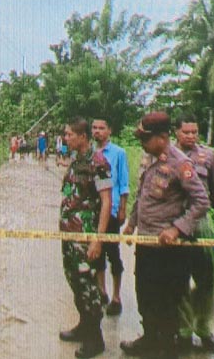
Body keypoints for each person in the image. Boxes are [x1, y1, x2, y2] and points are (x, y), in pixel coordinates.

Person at [121, 111, 210, 359]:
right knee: (145, 293)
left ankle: (166, 347)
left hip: (169, 249)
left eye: (145, 138)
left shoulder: (181, 164)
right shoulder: (149, 159)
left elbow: (201, 202)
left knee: (167, 299)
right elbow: (143, 195)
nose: (141, 143)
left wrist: (177, 228)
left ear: (161, 137)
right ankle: (149, 339)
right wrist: (132, 223)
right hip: (147, 242)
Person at [58, 117, 113, 358]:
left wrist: (97, 240)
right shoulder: (75, 160)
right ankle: (83, 326)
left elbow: (106, 201)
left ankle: (96, 338)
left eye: (70, 135)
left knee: (88, 285)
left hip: (86, 235)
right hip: (70, 234)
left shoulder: (98, 162)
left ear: (82, 137)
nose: (66, 138)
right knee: (75, 281)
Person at [173, 113, 214, 353]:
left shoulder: (208, 156)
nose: (191, 136)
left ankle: (203, 328)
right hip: (174, 221)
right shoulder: (166, 155)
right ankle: (183, 331)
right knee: (179, 279)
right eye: (186, 132)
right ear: (176, 132)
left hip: (201, 221)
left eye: (195, 132)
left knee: (206, 279)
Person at [91, 118, 130, 316]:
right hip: (94, 211)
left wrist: (122, 208)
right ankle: (101, 291)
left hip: (112, 209)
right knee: (97, 253)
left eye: (101, 128)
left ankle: (116, 296)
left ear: (109, 130)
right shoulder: (90, 153)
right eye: (94, 128)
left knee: (113, 253)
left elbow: (123, 183)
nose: (97, 131)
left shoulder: (118, 154)